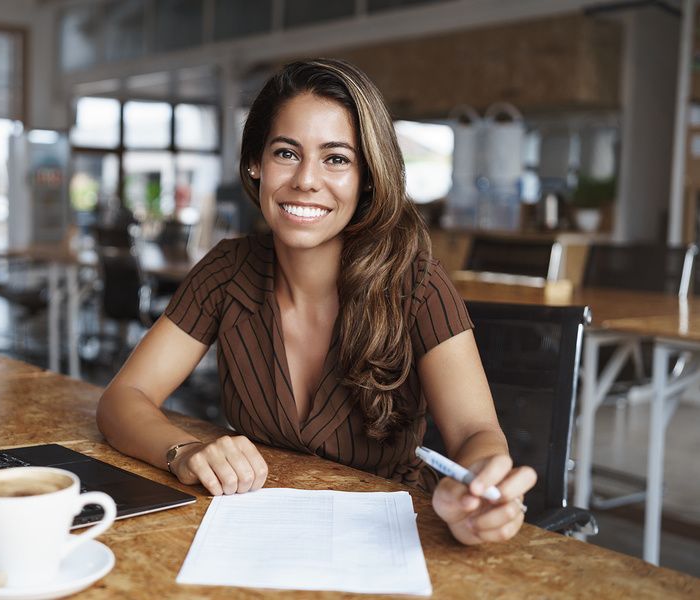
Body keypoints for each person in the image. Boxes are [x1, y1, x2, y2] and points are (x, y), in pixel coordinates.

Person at [97, 58, 536, 545]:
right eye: (287, 153)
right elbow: (122, 399)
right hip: (258, 532)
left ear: (367, 177)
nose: (306, 180)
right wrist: (182, 450)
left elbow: (476, 431)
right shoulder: (227, 272)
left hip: (396, 535)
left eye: (336, 158)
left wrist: (481, 489)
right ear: (255, 164)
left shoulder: (416, 282)